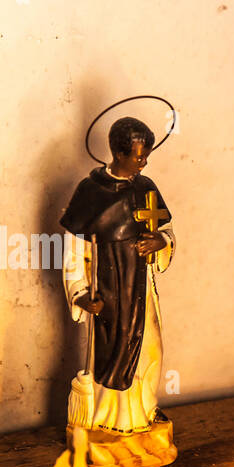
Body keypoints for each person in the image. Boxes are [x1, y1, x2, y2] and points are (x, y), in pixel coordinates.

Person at [59, 117, 175, 434]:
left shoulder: (147, 188)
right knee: (107, 356)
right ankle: (109, 421)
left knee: (150, 350)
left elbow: (165, 230)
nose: (145, 161)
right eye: (139, 155)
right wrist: (80, 293)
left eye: (146, 155)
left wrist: (160, 241)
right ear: (120, 153)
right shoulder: (90, 192)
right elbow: (73, 250)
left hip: (142, 290)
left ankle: (142, 414)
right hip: (108, 291)